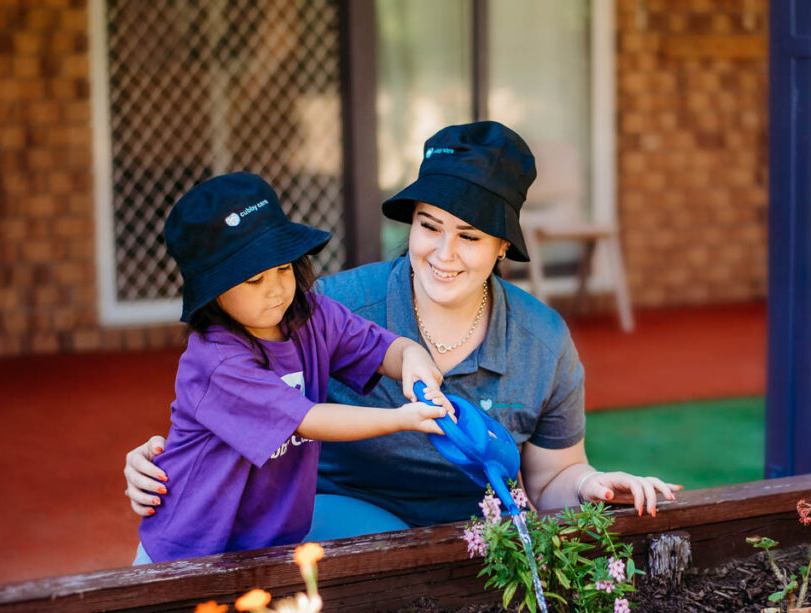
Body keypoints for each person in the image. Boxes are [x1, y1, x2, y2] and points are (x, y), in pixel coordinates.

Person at [125, 122, 679, 543]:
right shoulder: (322, 305)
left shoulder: (542, 339)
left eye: (469, 236)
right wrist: (157, 463)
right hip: (331, 527)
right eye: (428, 226)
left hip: (470, 539)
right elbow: (231, 392)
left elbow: (550, 478)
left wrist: (587, 485)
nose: (443, 253)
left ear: (502, 246)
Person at [134, 172, 451, 563]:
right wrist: (401, 418)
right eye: (254, 280)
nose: (277, 289)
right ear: (212, 292)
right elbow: (308, 419)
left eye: (284, 268)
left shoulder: (310, 315)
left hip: (269, 539)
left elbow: (380, 348)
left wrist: (411, 355)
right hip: (192, 547)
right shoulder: (217, 360)